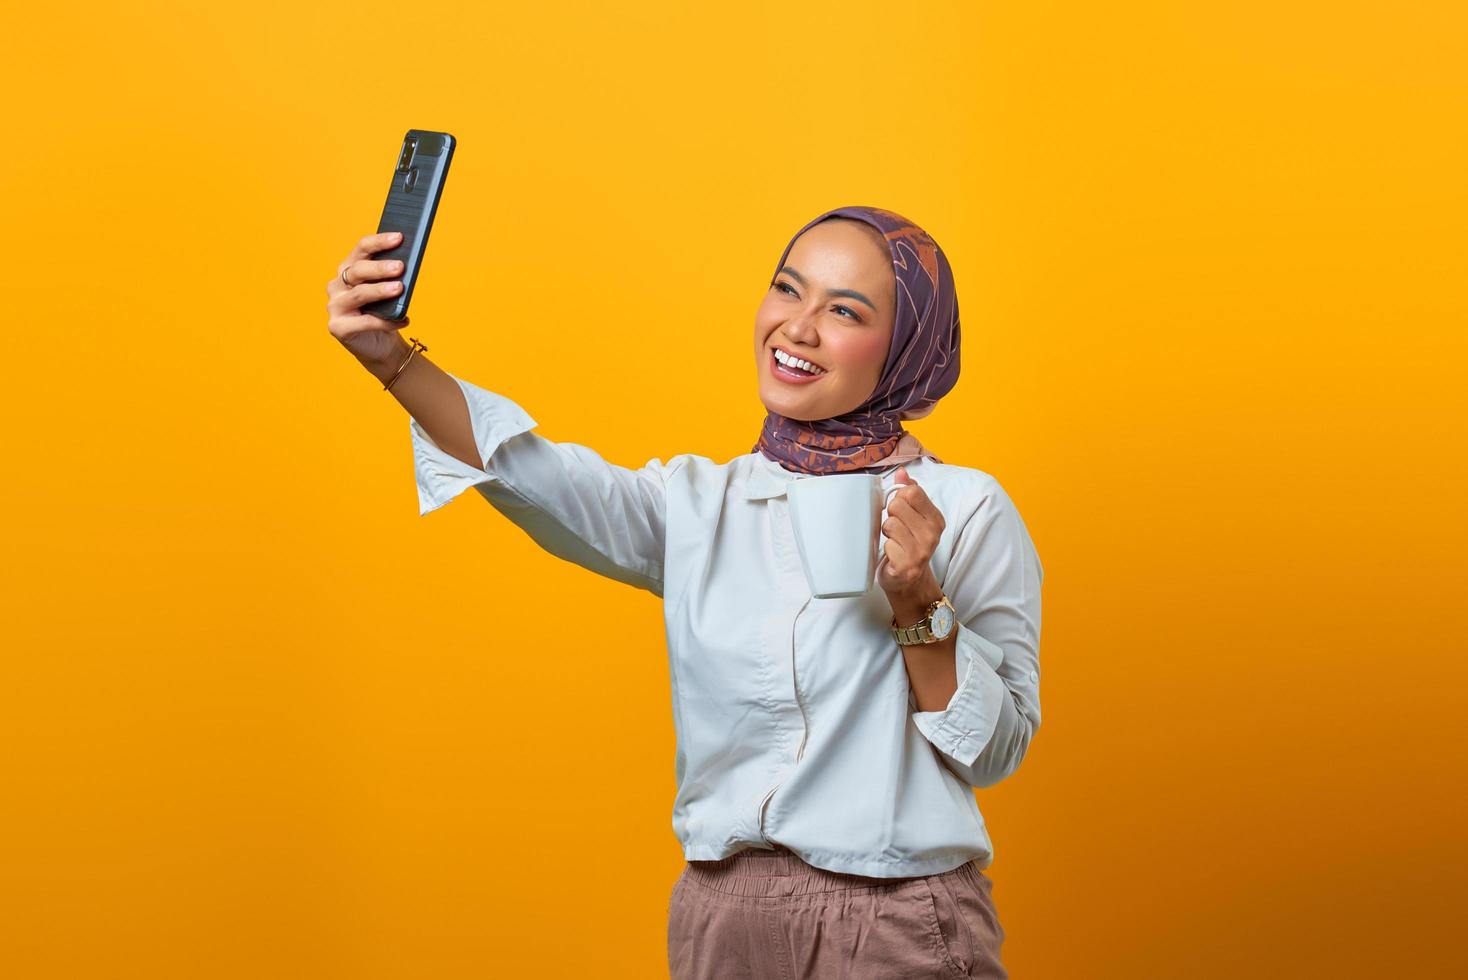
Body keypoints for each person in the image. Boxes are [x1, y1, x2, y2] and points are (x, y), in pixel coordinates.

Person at [325, 205, 1043, 979]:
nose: (796, 328)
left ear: (904, 350)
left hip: (895, 918)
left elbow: (996, 751)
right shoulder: (698, 503)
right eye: (787, 290)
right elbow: (530, 470)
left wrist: (917, 603)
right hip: (720, 917)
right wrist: (391, 361)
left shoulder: (965, 509)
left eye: (843, 310)